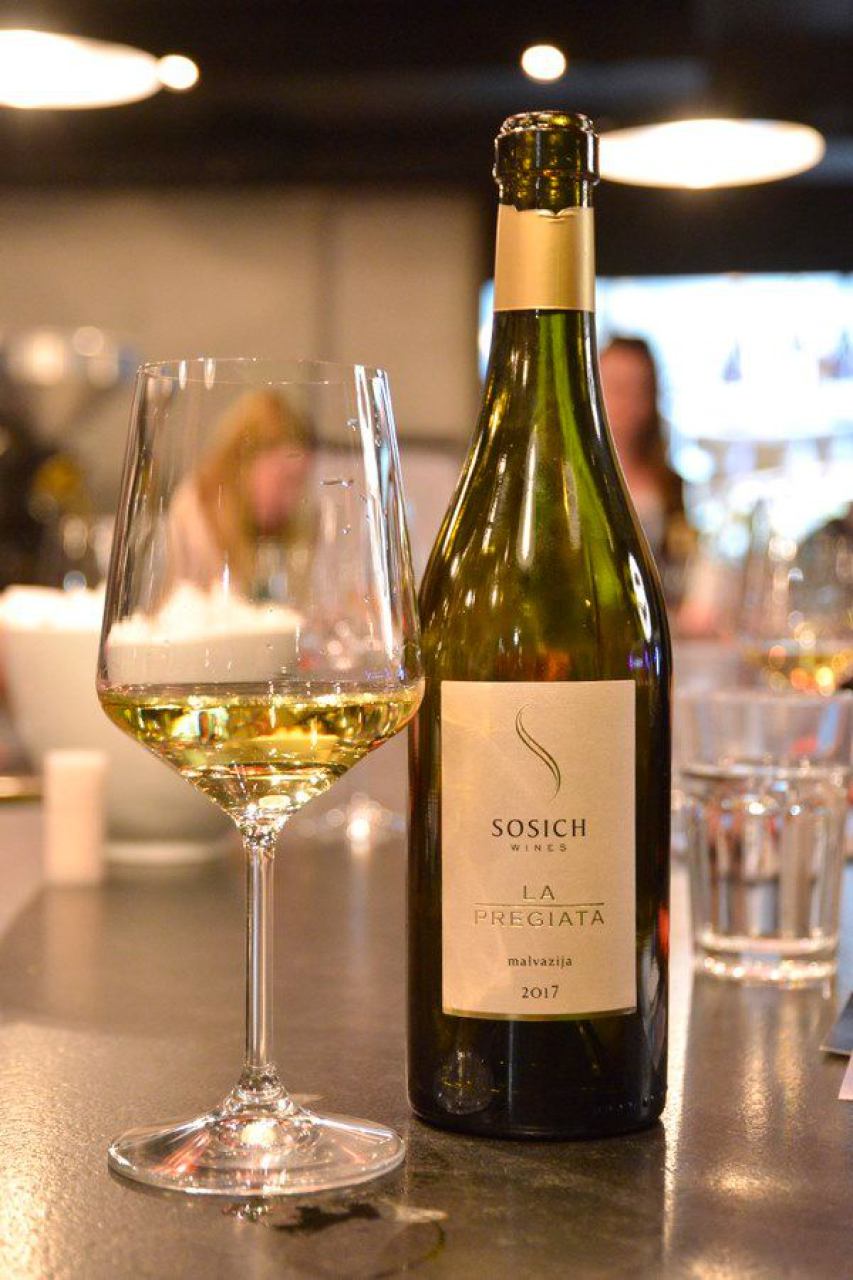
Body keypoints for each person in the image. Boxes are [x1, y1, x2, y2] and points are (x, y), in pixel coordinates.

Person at [167, 388, 315, 597]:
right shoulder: (196, 508)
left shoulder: (278, 532)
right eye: (286, 479)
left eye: (300, 484)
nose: (291, 500)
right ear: (246, 459)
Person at [599, 335, 695, 594]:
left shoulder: (671, 484)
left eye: (638, 389)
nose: (627, 403)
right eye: (616, 388)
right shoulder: (566, 485)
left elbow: (688, 565)